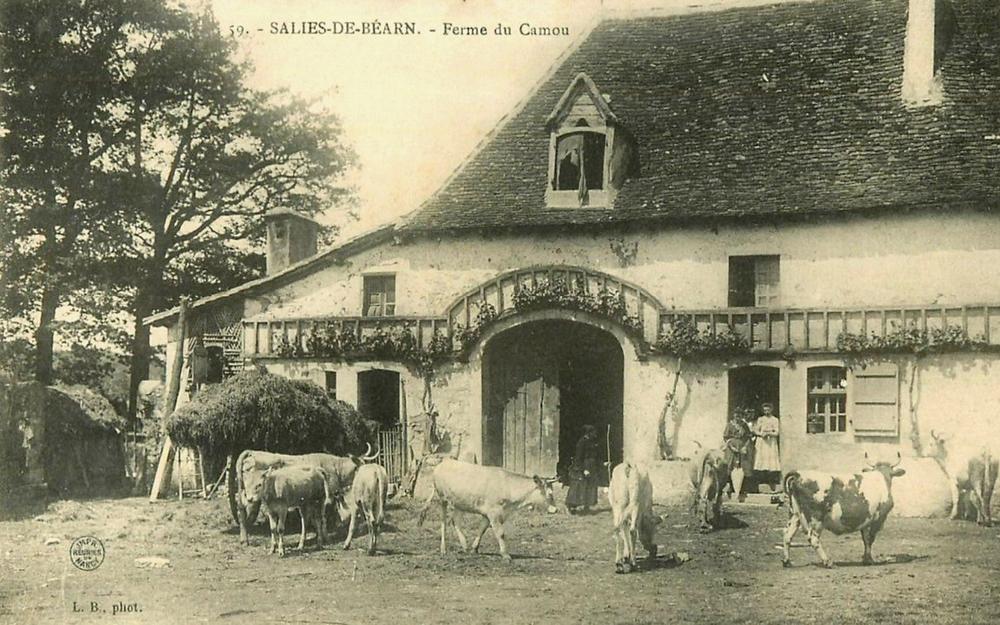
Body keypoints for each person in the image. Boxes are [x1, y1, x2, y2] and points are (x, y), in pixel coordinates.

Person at [566, 424, 601, 514]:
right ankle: (571, 506)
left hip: (592, 467)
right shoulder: (582, 442)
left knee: (590, 486)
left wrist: (603, 463)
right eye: (593, 432)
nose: (595, 434)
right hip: (583, 467)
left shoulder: (593, 442)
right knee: (579, 487)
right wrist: (583, 469)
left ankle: (587, 506)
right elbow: (578, 458)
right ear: (588, 433)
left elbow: (596, 456)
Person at [723, 409, 755, 502]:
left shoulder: (744, 425)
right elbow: (726, 437)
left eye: (740, 415)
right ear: (733, 415)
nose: (738, 417)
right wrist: (732, 447)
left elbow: (749, 437)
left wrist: (745, 447)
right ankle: (729, 488)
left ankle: (742, 489)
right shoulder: (730, 425)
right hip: (731, 447)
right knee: (730, 466)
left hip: (742, 446)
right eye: (736, 415)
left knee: (744, 466)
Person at [752, 403, 781, 492]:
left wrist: (769, 433)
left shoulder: (775, 420)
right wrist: (761, 434)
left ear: (771, 409)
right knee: (761, 459)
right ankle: (761, 480)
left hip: (771, 442)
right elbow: (755, 430)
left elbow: (777, 432)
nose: (766, 411)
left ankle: (771, 480)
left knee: (770, 460)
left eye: (768, 410)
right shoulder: (760, 419)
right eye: (765, 410)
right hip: (762, 442)